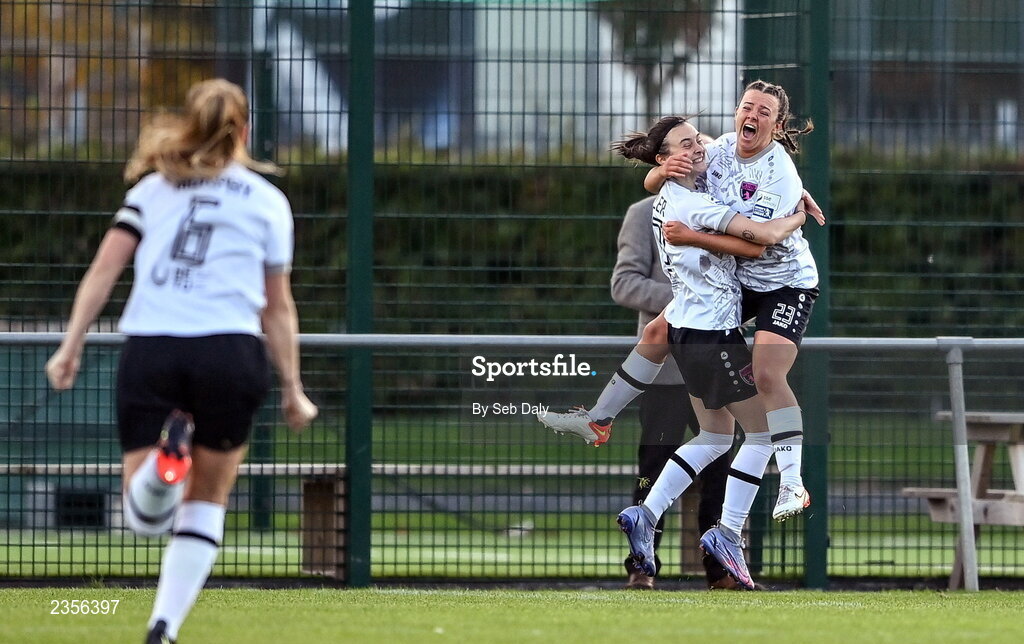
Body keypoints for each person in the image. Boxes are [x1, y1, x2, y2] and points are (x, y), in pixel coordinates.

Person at [44, 78, 318, 644]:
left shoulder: (153, 190)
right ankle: (163, 627)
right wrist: (293, 386)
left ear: (189, 124)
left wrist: (71, 344)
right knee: (207, 506)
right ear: (245, 131)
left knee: (143, 519)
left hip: (155, 346)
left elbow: (103, 271)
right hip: (231, 352)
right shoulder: (269, 201)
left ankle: (167, 466)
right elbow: (278, 307)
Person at [542, 79, 822, 523]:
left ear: (778, 123)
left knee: (766, 378)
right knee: (659, 336)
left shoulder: (779, 174)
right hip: (735, 284)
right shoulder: (722, 148)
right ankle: (599, 419)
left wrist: (795, 213)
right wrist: (660, 170)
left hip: (783, 282)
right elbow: (666, 172)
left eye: (763, 111)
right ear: (737, 112)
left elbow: (761, 246)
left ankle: (792, 484)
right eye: (747, 106)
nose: (751, 115)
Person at [610, 115, 807, 590]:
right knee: (760, 435)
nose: (700, 146)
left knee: (716, 441)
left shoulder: (686, 190)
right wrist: (798, 215)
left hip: (694, 339)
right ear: (667, 158)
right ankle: (728, 534)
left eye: (698, 139)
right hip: (709, 337)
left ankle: (648, 515)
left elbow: (669, 182)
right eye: (687, 142)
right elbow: (758, 244)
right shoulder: (692, 203)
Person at [610, 195, 759, 590]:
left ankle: (721, 569)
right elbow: (624, 284)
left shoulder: (725, 210)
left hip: (715, 365)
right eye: (688, 148)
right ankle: (641, 566)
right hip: (666, 373)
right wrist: (692, 304)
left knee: (723, 468)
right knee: (653, 468)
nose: (698, 159)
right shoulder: (642, 213)